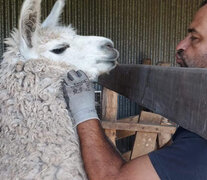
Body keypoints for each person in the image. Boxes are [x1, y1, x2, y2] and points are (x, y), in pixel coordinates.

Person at [63, 1, 207, 179]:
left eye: (195, 38)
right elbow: (166, 153)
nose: (180, 45)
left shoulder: (200, 148)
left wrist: (84, 111)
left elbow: (111, 178)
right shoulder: (198, 123)